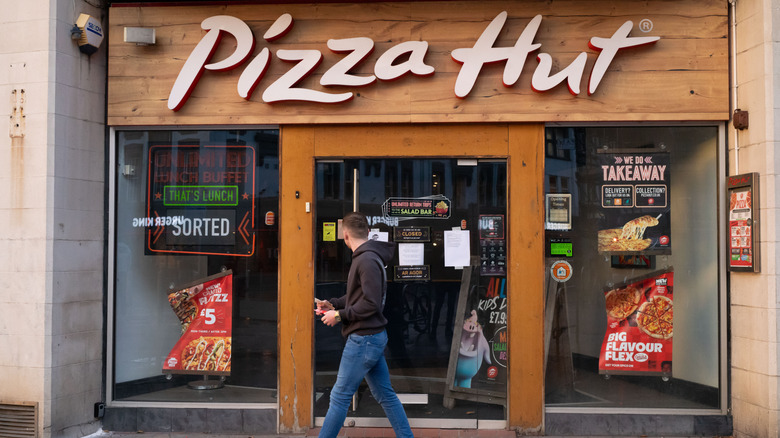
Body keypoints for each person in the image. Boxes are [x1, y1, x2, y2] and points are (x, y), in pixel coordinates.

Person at [316, 212, 414, 438]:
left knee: (339, 397)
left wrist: (339, 315)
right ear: (368, 232)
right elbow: (358, 297)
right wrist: (333, 304)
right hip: (371, 338)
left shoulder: (366, 260)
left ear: (346, 235)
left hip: (363, 340)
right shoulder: (366, 257)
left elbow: (371, 304)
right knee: (385, 395)